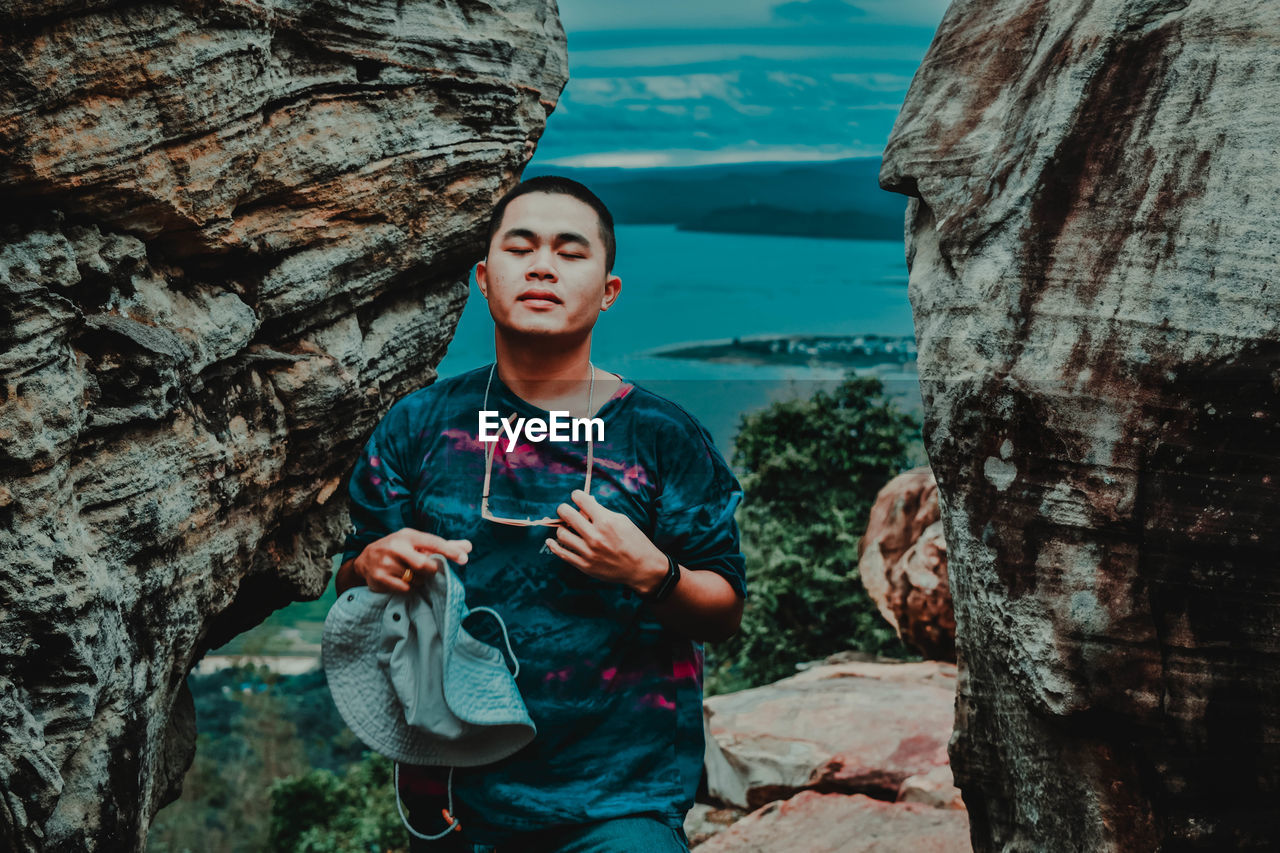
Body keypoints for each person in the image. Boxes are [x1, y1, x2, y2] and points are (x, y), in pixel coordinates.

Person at [334, 175, 747, 852]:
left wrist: (651, 572)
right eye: (520, 247)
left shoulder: (662, 437)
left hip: (620, 804)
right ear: (483, 280)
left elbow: (725, 608)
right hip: (451, 799)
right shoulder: (419, 424)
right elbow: (352, 585)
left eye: (571, 251)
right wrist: (370, 565)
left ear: (609, 290)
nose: (542, 266)